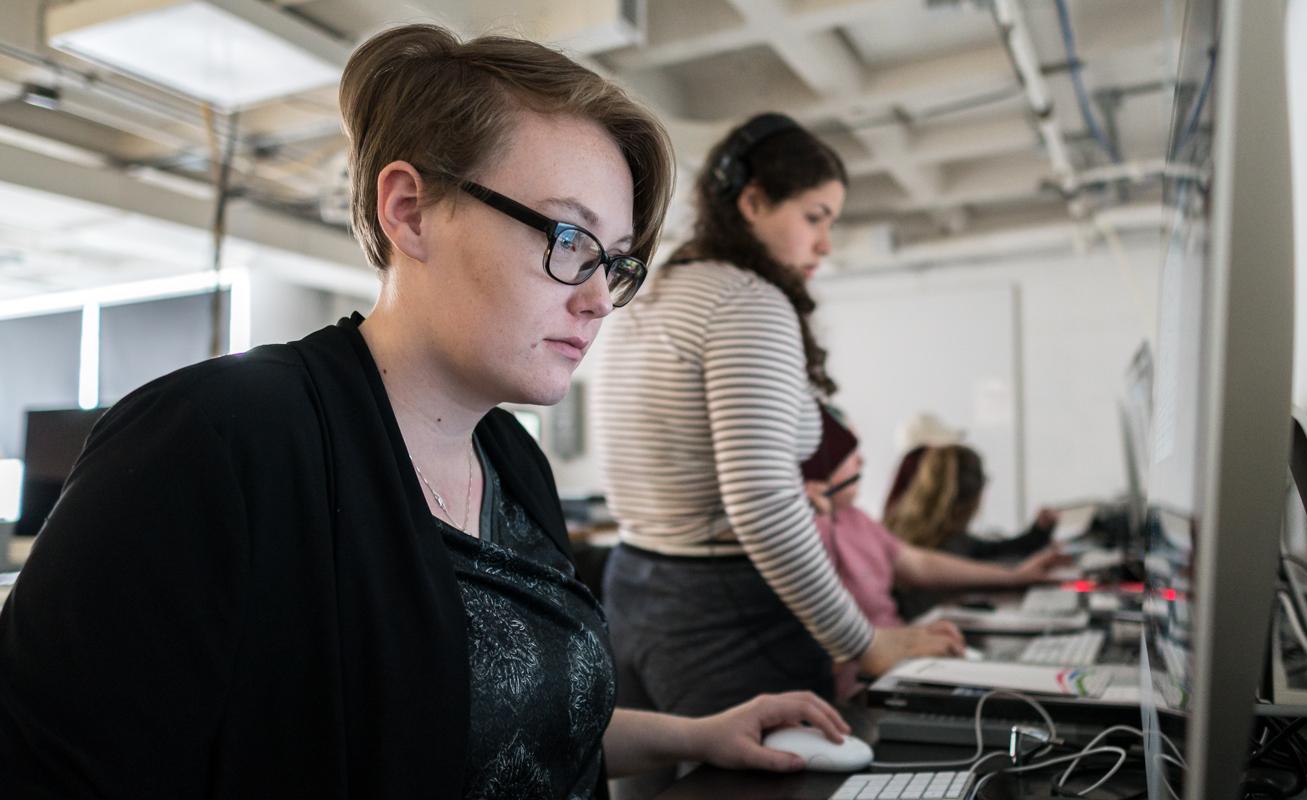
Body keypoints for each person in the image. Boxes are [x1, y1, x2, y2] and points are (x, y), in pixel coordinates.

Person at [0, 26, 852, 799]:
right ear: (408, 210)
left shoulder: (514, 468)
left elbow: (500, 718)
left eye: (615, 264)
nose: (599, 298)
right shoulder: (215, 438)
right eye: (568, 241)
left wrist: (701, 733)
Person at [594, 112, 963, 726]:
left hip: (634, 586)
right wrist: (863, 642)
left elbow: (689, 461)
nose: (824, 243)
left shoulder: (657, 293)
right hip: (722, 609)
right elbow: (761, 504)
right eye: (815, 217)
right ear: (755, 202)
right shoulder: (748, 300)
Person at [800, 405, 1065, 697]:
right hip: (863, 684)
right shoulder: (807, 528)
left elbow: (920, 564)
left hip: (901, 663)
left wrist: (1015, 576)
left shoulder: (856, 519)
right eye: (849, 451)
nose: (862, 460)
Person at [884, 442, 1061, 619]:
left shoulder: (898, 529)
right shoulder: (950, 546)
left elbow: (993, 553)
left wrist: (1038, 533)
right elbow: (989, 563)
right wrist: (1017, 575)